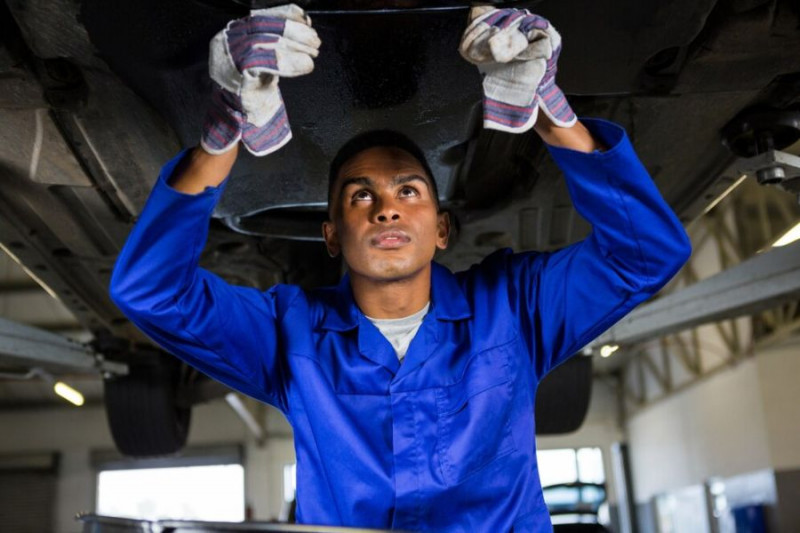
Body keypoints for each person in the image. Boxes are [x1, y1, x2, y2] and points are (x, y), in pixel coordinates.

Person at [109, 5, 691, 532]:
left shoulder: (516, 308)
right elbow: (150, 292)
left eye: (408, 190)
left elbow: (647, 253)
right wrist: (221, 133)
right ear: (331, 236)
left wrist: (550, 109)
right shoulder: (289, 335)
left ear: (441, 229)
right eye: (360, 196)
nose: (386, 206)